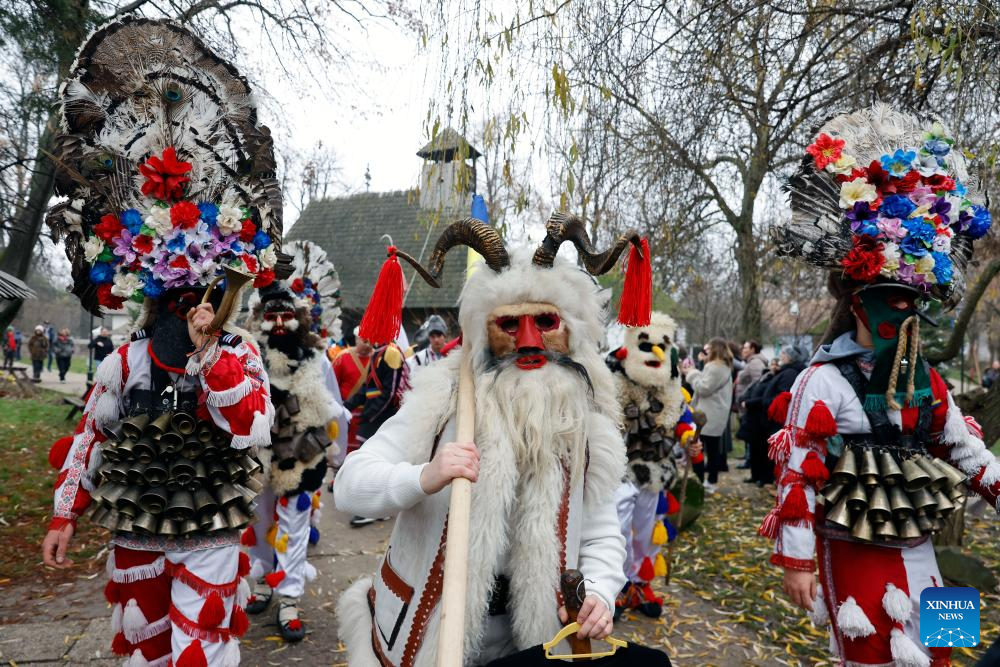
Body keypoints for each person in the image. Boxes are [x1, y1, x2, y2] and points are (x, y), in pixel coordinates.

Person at [40, 16, 282, 665]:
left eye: (198, 296)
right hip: (137, 531)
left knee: (199, 654)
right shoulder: (127, 360)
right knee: (145, 654)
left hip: (211, 530)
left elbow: (251, 426)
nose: (187, 309)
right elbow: (91, 435)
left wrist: (210, 356)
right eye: (173, 299)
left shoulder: (239, 353)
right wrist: (65, 514)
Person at [334, 214, 651, 666]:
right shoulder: (441, 400)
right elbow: (349, 486)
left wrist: (599, 591)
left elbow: (601, 532)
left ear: (570, 329)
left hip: (534, 641)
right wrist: (424, 476)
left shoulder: (586, 424)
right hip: (424, 634)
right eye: (510, 326)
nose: (529, 342)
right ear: (485, 331)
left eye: (545, 322)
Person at [762, 105, 999, 667]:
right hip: (857, 552)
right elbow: (799, 472)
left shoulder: (928, 380)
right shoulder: (822, 381)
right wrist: (797, 562)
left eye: (910, 301)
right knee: (875, 657)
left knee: (940, 654)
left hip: (923, 548)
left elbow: (966, 451)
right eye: (888, 299)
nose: (901, 311)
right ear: (855, 303)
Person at [243, 264, 348, 642]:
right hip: (257, 455)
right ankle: (262, 582)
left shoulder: (317, 358)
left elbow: (336, 409)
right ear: (259, 319)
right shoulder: (248, 358)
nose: (278, 324)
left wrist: (338, 456)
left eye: (285, 316)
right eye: (271, 317)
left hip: (301, 457)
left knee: (295, 527)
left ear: (299, 318)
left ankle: (289, 599)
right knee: (257, 523)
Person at [606, 312, 701, 619]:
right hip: (618, 470)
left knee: (647, 529)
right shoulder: (612, 379)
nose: (655, 352)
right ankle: (615, 586)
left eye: (662, 346)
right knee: (617, 527)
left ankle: (639, 583)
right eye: (646, 345)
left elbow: (683, 419)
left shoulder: (672, 384)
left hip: (655, 471)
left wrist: (689, 439)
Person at [742, 346, 806, 487]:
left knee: (770, 451)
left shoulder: (789, 373)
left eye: (783, 353)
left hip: (775, 418)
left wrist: (767, 402)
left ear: (790, 357)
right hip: (768, 416)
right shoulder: (784, 371)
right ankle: (762, 477)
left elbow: (783, 396)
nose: (781, 355)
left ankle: (768, 478)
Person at [684, 338, 733, 493]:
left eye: (708, 349)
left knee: (699, 449)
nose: (706, 352)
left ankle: (702, 481)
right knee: (712, 450)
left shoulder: (715, 367)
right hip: (714, 414)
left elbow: (703, 388)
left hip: (708, 415)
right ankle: (710, 481)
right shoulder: (722, 367)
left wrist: (691, 374)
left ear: (715, 349)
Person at [332, 329, 373, 450]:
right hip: (346, 413)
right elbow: (332, 385)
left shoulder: (378, 358)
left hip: (368, 415)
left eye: (371, 342)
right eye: (365, 341)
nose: (368, 345)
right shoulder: (342, 357)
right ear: (356, 339)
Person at [734, 340, 768, 470]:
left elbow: (757, 381)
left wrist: (745, 396)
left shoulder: (755, 363)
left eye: (746, 348)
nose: (743, 350)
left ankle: (749, 459)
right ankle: (747, 456)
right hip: (744, 403)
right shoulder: (750, 362)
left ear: (753, 349)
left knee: (749, 431)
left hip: (748, 403)